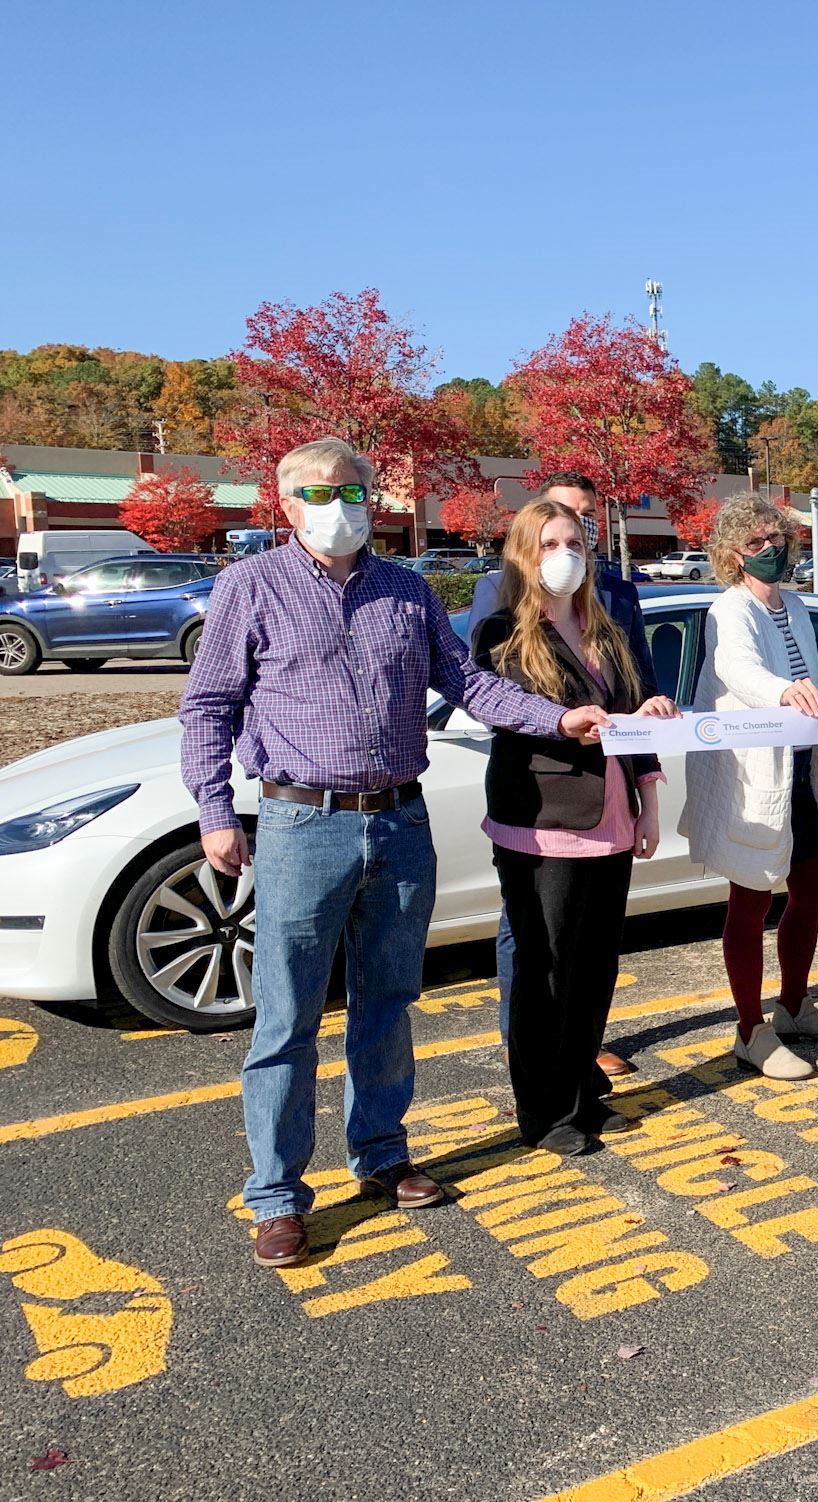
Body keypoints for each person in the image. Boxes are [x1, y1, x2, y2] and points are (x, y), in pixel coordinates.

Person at [180, 438, 610, 1267]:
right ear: (285, 504)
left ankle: (380, 1153)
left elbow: (469, 684)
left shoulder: (406, 591)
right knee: (288, 1016)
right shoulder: (249, 587)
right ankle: (277, 1193)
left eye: (352, 489)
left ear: (374, 497)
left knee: (388, 1002)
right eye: (319, 491)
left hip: (399, 823)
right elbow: (209, 707)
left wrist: (558, 718)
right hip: (303, 824)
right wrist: (213, 810)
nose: (338, 503)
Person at [471, 499, 674, 1155]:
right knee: (546, 972)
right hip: (545, 825)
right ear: (525, 555)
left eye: (575, 542)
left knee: (593, 972)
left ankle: (583, 1094)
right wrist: (583, 720)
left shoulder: (604, 628)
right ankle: (545, 1112)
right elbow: (520, 714)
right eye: (550, 543)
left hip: (611, 820)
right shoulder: (502, 632)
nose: (565, 554)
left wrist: (648, 783)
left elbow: (625, 717)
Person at [683, 492, 818, 1082]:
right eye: (756, 543)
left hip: (802, 764)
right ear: (732, 555)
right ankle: (751, 1030)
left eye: (777, 540)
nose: (771, 550)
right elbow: (737, 668)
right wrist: (782, 691)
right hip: (752, 772)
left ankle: (796, 1006)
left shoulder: (796, 604)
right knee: (751, 897)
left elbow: (812, 672)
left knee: (813, 885)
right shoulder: (729, 608)